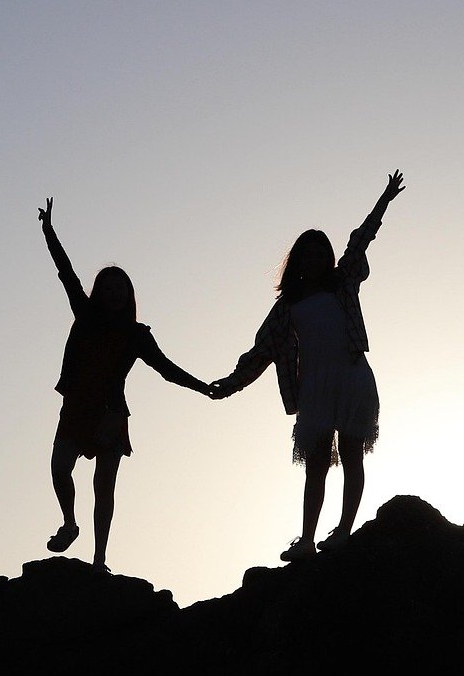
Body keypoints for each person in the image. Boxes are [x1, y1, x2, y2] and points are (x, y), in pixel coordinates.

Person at [210, 170, 405, 561]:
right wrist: (229, 384)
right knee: (316, 465)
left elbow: (360, 238)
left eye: (321, 252)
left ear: (328, 258)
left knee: (351, 454)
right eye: (308, 253)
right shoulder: (288, 307)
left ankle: (344, 530)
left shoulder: (343, 282)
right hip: (314, 386)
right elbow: (260, 352)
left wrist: (384, 200)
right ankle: (306, 540)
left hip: (351, 377)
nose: (315, 259)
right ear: (297, 260)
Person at [39, 197, 211, 571]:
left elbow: (167, 369)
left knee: (104, 488)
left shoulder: (137, 335)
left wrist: (202, 387)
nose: (113, 293)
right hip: (77, 406)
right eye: (107, 287)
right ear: (99, 292)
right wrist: (49, 232)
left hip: (111, 414)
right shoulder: (84, 313)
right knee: (58, 467)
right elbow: (66, 272)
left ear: (128, 295)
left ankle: (100, 560)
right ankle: (70, 523)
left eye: (120, 289)